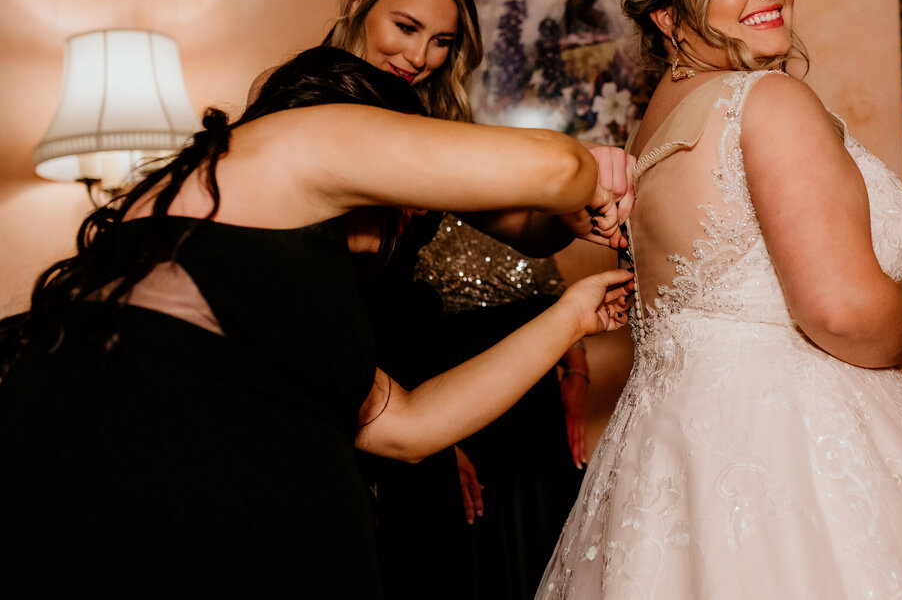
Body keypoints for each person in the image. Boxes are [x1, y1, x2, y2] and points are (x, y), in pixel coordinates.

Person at [536, 0, 902, 598]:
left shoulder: (650, 130)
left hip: (677, 453)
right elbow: (837, 310)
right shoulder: (766, 102)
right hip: (799, 452)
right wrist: (898, 330)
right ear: (667, 14)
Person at [0, 47, 635, 599]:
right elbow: (558, 168)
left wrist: (570, 316)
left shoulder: (273, 271)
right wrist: (596, 179)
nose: (414, 211)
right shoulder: (298, 138)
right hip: (144, 530)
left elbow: (409, 426)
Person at [315, 0, 633, 599]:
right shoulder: (311, 109)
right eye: (404, 27)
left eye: (442, 42)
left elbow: (519, 222)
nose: (420, 56)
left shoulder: (421, 123)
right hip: (332, 385)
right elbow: (320, 298)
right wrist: (415, 429)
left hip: (399, 387)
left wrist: (568, 215)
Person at [415, 215, 590, 600]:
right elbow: (395, 331)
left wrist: (576, 375)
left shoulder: (510, 203)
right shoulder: (412, 217)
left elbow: (552, 290)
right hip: (457, 398)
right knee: (479, 544)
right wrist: (431, 439)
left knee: (542, 529)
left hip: (534, 399)